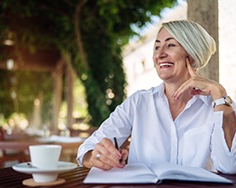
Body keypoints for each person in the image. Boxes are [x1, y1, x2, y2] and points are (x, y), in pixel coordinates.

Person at [77, 20, 236, 174]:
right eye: (157, 47)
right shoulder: (138, 102)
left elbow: (230, 166)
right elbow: (86, 149)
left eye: (171, 45)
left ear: (193, 53)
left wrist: (219, 94)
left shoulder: (220, 106)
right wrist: (97, 157)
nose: (159, 55)